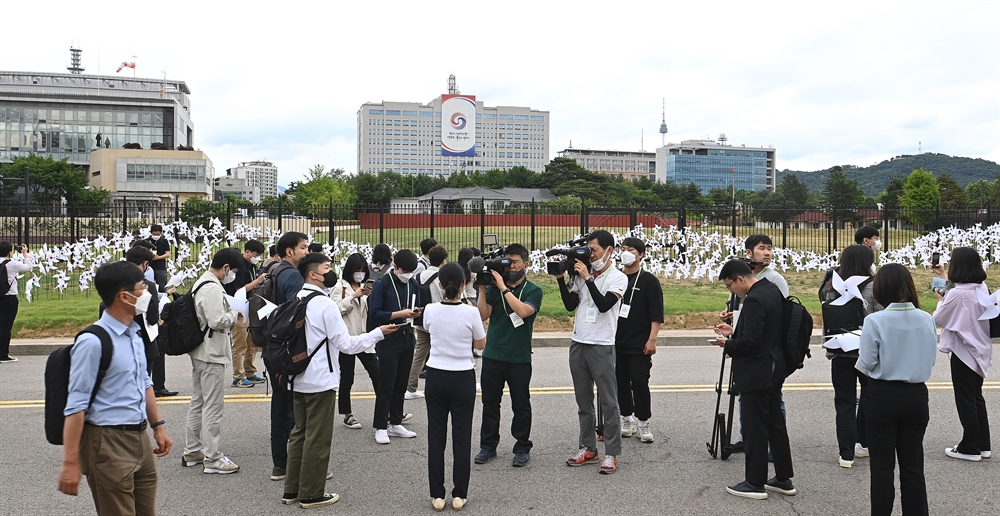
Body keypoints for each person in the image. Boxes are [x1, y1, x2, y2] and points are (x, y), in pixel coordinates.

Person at [280, 253, 397, 509]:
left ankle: (292, 489)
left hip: (297, 377)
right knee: (318, 438)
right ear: (313, 274)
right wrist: (377, 334)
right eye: (326, 267)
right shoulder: (324, 304)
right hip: (320, 380)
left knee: (299, 434)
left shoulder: (298, 298)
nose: (330, 271)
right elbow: (346, 344)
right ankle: (311, 493)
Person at [58, 261, 173, 514]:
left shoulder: (134, 333)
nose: (149, 294)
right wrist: (70, 462)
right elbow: (76, 405)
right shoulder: (93, 342)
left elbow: (144, 382)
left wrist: (158, 427)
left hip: (140, 437)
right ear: (124, 296)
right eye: (143, 288)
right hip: (107, 442)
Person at [856, 263, 937, 516]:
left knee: (882, 467)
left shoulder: (875, 320)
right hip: (916, 396)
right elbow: (930, 359)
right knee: (913, 465)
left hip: (883, 396)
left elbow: (867, 363)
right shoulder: (927, 319)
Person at [712, 259, 794, 500]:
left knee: (754, 428)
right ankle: (783, 478)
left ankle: (754, 482)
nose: (731, 291)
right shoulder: (771, 289)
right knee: (775, 424)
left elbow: (751, 343)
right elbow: (766, 331)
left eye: (729, 285)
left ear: (740, 279)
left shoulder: (755, 299)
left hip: (756, 373)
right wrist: (733, 332)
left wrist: (728, 344)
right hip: (773, 368)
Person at [556, 230, 627, 474]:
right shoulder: (581, 274)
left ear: (609, 250)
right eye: (589, 249)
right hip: (578, 342)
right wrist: (560, 279)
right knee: (583, 401)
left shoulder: (618, 278)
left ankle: (612, 453)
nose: (591, 254)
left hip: (602, 344)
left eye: (594, 250)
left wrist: (588, 279)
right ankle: (588, 448)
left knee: (608, 402)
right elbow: (569, 306)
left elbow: (605, 305)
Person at [422, 263, 487, 511]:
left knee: (436, 437)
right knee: (461, 437)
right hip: (462, 377)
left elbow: (428, 329)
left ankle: (437, 494)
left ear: (440, 285)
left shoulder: (430, 309)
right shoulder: (470, 313)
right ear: (463, 285)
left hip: (436, 376)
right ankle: (459, 494)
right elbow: (480, 345)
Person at [474, 243, 543, 468]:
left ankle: (522, 446)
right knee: (490, 403)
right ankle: (488, 445)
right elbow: (483, 316)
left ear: (526, 264)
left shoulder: (534, 290)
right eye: (508, 261)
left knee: (520, 404)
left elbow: (523, 312)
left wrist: (504, 288)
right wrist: (483, 289)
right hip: (493, 354)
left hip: (519, 358)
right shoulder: (494, 288)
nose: (511, 266)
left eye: (516, 262)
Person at [181, 248, 242, 474]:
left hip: (200, 352)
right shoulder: (213, 289)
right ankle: (213, 458)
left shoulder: (200, 283)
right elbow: (217, 321)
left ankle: (193, 450)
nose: (232, 275)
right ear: (225, 268)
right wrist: (235, 314)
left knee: (198, 401)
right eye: (232, 271)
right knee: (213, 406)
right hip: (212, 353)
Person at [932, 247, 992, 461]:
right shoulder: (981, 288)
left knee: (965, 399)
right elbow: (962, 294)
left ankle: (969, 447)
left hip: (964, 351)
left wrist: (940, 300)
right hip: (980, 349)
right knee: (976, 398)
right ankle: (983, 444)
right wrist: (943, 276)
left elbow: (938, 318)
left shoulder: (956, 294)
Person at [820, 245, 877, 468]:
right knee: (867, 397)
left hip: (840, 348)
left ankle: (846, 454)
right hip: (866, 349)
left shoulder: (830, 285)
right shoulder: (874, 285)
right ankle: (862, 443)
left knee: (844, 401)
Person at [368, 249, 422, 444]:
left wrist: (416, 313)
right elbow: (375, 313)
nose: (408, 275)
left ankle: (396, 422)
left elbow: (418, 305)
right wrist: (400, 314)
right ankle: (381, 426)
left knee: (401, 383)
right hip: (389, 338)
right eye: (405, 270)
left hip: (408, 337)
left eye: (411, 271)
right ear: (395, 267)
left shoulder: (413, 283)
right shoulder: (382, 284)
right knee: (386, 384)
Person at [268, 231, 309, 481]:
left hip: (272, 349)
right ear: (289, 252)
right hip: (287, 352)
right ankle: (297, 464)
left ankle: (279, 464)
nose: (307, 251)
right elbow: (298, 314)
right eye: (303, 247)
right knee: (294, 409)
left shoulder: (273, 270)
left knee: (279, 406)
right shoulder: (292, 275)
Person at [615, 237, 663, 444]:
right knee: (620, 382)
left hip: (639, 342)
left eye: (631, 249)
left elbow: (656, 313)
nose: (626, 252)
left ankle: (643, 422)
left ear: (641, 254)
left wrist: (652, 339)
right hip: (616, 341)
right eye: (623, 249)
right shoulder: (616, 277)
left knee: (640, 381)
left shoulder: (649, 281)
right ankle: (627, 418)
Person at [331, 253, 380, 429]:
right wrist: (352, 297)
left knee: (378, 374)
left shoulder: (363, 286)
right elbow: (334, 311)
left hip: (364, 338)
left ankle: (387, 411)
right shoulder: (340, 287)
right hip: (347, 337)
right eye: (356, 270)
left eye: (362, 271)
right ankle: (347, 414)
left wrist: (369, 295)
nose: (359, 274)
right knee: (347, 378)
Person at [123, 245, 176, 397]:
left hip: (122, 339)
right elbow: (153, 318)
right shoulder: (147, 285)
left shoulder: (116, 282)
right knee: (142, 386)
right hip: (144, 340)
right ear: (145, 264)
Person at [224, 239, 267, 388]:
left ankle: (249, 371)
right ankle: (238, 375)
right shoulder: (240, 267)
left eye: (260, 255)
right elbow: (240, 290)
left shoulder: (252, 266)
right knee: (240, 345)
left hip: (251, 308)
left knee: (252, 343)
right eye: (255, 254)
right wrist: (259, 280)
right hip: (239, 308)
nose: (257, 258)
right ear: (247, 252)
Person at [408, 245, 448, 400]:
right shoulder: (443, 276)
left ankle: (411, 387)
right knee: (442, 354)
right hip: (439, 320)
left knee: (419, 354)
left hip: (422, 319)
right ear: (444, 260)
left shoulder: (420, 275)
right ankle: (441, 386)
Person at [0, 242, 33, 363]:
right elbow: (29, 267)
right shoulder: (12, 264)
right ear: (10, 252)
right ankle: (3, 355)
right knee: (5, 328)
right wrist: (25, 253)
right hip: (9, 299)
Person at [147, 224, 171, 291]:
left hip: (160, 267)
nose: (156, 236)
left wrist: (158, 257)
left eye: (158, 234)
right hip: (148, 267)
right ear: (151, 233)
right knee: (148, 287)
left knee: (162, 287)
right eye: (154, 234)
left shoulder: (164, 241)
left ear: (161, 233)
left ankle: (163, 300)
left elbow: (167, 254)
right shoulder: (146, 241)